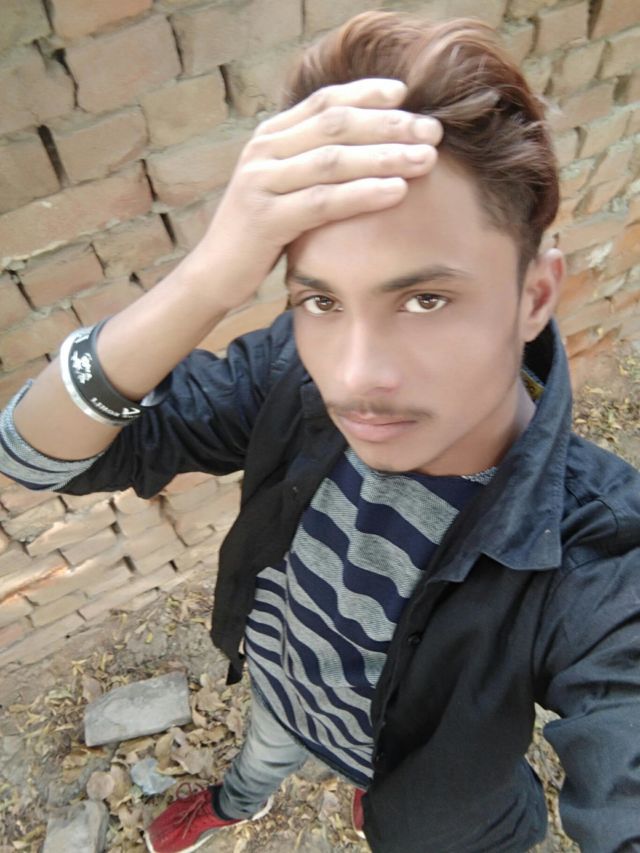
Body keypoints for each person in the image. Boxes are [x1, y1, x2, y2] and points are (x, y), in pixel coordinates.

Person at [1, 10, 639, 853]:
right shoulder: (289, 372)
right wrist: (207, 279)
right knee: (265, 753)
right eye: (321, 300)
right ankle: (240, 801)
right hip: (286, 687)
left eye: (425, 299)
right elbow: (33, 455)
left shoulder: (598, 554)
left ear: (535, 296)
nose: (353, 375)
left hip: (430, 779)